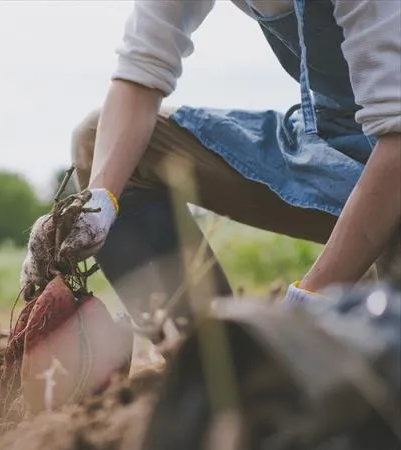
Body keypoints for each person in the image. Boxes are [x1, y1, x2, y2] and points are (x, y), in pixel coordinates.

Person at [20, 0, 400, 324]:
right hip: (327, 144)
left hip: (392, 158)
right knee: (95, 138)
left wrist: (307, 302)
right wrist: (97, 203)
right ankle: (207, 361)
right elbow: (140, 71)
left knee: (382, 366)